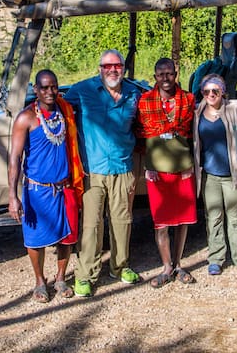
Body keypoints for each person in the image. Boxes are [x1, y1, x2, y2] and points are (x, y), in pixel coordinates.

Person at [64, 49, 142, 297]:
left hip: (123, 167)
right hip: (92, 170)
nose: (112, 70)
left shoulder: (134, 92)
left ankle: (120, 267)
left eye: (117, 66)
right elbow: (58, 105)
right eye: (107, 66)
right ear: (100, 69)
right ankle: (86, 275)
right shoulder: (83, 91)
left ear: (123, 68)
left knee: (122, 221)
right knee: (91, 225)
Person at [7, 69, 85, 302]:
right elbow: (15, 158)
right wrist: (13, 196)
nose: (50, 92)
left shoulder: (64, 110)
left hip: (64, 188)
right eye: (44, 88)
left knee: (67, 237)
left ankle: (60, 277)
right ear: (35, 90)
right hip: (37, 190)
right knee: (35, 239)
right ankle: (40, 281)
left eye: (54, 87)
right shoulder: (26, 118)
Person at [136, 57, 197, 288]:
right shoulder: (145, 102)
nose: (165, 78)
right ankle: (166, 267)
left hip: (183, 170)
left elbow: (194, 135)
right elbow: (140, 134)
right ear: (155, 77)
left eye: (169, 74)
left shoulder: (188, 100)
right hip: (156, 172)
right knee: (161, 222)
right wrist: (148, 166)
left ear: (176, 73)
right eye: (161, 74)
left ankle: (179, 264)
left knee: (183, 221)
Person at [193, 74, 237, 278]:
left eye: (215, 91)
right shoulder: (198, 111)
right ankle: (216, 258)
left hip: (232, 175)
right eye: (206, 91)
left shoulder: (233, 108)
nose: (211, 95)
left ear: (223, 92)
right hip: (209, 175)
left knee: (236, 217)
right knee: (213, 217)